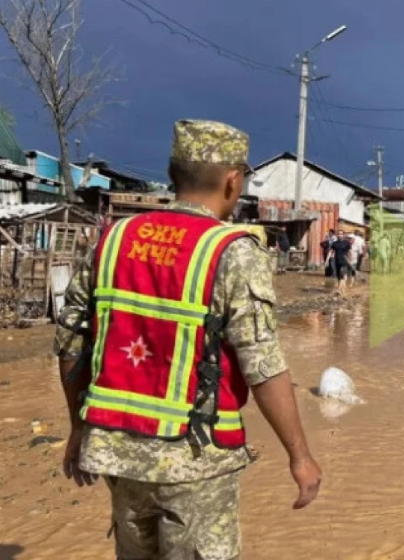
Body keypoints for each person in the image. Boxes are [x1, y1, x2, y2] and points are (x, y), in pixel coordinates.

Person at [53, 119, 321, 559]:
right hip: (197, 459)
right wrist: (300, 456)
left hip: (115, 451)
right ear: (233, 181)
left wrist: (78, 428)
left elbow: (70, 342)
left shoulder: (113, 238)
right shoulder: (233, 251)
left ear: (174, 173)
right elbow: (263, 364)